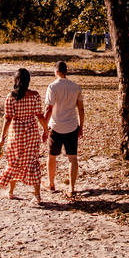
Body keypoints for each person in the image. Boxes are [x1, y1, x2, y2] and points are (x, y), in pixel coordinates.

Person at [0, 68, 48, 203]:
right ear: (28, 81)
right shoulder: (35, 95)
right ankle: (37, 195)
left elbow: (8, 118)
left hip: (16, 134)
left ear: (15, 80)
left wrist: (2, 137)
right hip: (32, 133)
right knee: (33, 162)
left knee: (13, 161)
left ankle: (11, 192)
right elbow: (40, 116)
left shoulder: (11, 97)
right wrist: (46, 130)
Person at [43, 61, 84, 197]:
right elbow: (81, 109)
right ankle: (72, 188)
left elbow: (49, 109)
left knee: (52, 156)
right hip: (72, 126)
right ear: (66, 71)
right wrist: (81, 126)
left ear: (56, 72)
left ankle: (51, 183)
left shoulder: (52, 87)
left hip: (55, 126)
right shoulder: (76, 87)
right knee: (72, 158)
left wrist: (44, 127)